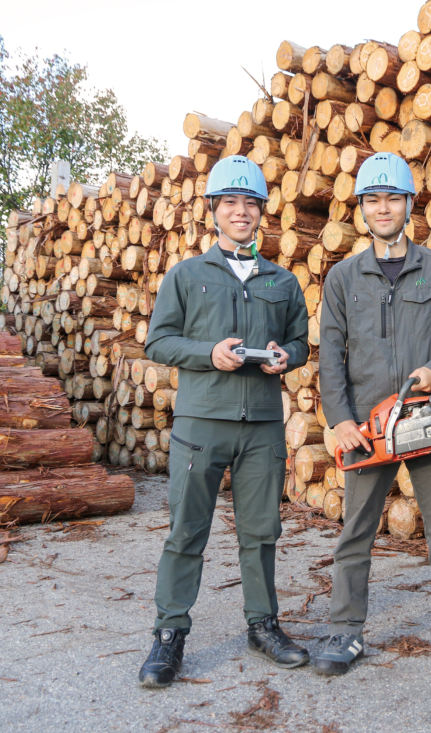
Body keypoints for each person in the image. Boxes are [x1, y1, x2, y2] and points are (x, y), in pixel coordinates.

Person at [313, 153, 431, 680]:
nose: (383, 208)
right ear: (362, 209)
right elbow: (330, 354)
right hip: (369, 426)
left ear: (410, 203)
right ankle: (346, 632)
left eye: (393, 198)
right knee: (355, 533)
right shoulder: (344, 277)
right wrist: (342, 418)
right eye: (373, 200)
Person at [137, 155, 311, 688]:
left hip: (261, 425)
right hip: (201, 424)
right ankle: (169, 635)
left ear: (262, 212)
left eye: (250, 203)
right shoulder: (188, 275)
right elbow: (158, 341)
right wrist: (207, 354)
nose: (241, 212)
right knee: (187, 531)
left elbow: (302, 341)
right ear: (213, 210)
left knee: (261, 532)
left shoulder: (282, 281)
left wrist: (290, 357)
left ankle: (263, 625)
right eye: (230, 202)